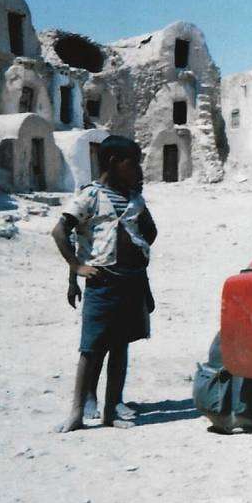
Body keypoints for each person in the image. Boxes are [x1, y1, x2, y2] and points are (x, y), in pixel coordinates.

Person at [50, 135, 157, 432]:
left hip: (132, 281)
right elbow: (62, 232)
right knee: (92, 349)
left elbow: (149, 232)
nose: (137, 169)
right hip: (103, 282)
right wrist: (76, 268)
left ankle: (111, 410)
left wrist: (139, 203)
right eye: (132, 163)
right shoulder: (90, 196)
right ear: (113, 162)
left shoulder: (134, 198)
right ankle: (77, 412)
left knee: (121, 347)